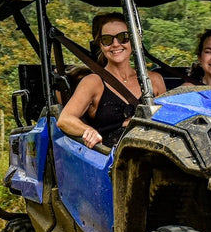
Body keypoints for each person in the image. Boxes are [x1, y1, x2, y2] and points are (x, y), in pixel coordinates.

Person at [58, 13, 167, 149]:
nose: (115, 44)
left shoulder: (154, 80)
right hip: (109, 160)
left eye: (123, 37)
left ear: (133, 40)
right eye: (107, 39)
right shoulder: (93, 82)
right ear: (101, 45)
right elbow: (65, 119)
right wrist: (88, 131)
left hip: (151, 155)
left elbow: (169, 121)